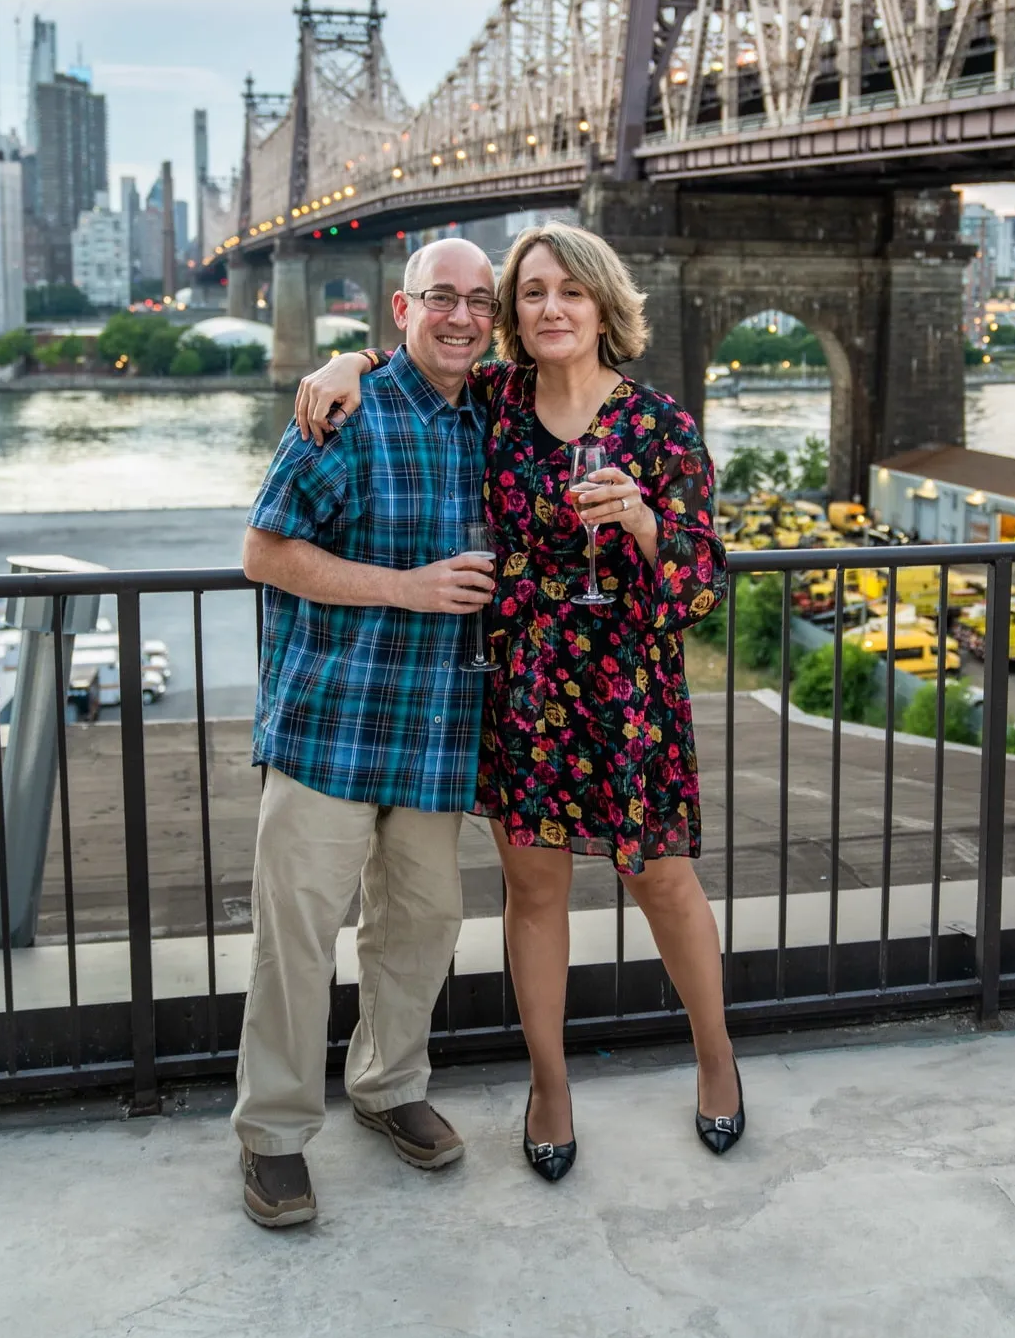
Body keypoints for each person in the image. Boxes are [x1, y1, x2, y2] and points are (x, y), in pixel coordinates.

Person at [296, 222, 741, 1184]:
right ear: (513, 313)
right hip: (526, 692)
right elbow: (420, 357)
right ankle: (550, 1085)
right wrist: (348, 361)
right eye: (532, 292)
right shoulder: (496, 400)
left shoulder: (659, 425)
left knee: (663, 883)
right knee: (534, 896)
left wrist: (643, 519)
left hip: (630, 692)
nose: (551, 308)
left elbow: (704, 583)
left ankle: (716, 1059)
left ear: (603, 305)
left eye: (570, 291)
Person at [233, 237, 500, 1228]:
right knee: (297, 939)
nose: (462, 316)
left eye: (480, 300)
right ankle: (272, 1135)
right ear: (403, 307)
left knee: (422, 924)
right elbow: (263, 551)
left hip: (436, 729)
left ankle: (389, 1086)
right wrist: (407, 588)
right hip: (332, 725)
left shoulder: (498, 415)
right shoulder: (342, 412)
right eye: (442, 297)